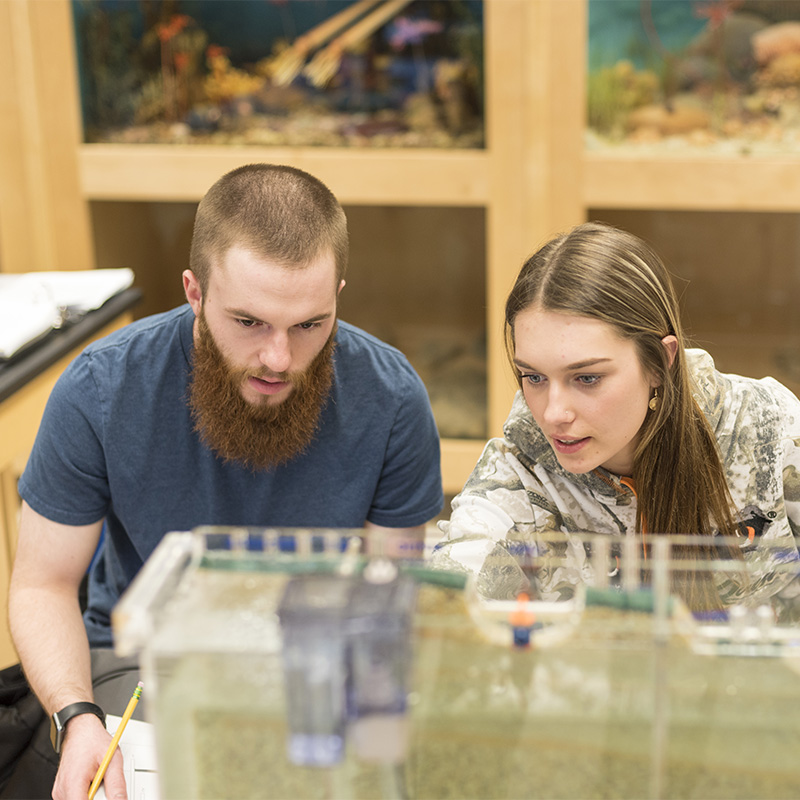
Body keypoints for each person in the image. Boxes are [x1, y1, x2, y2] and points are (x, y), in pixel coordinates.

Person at [9, 163, 443, 799]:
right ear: (194, 291)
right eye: (249, 322)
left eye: (310, 325)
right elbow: (43, 585)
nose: (279, 358)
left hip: (317, 665)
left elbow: (392, 594)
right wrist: (77, 719)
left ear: (338, 297)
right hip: (140, 669)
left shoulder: (392, 397)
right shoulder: (101, 389)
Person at [433, 221, 800, 612]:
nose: (554, 413)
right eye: (534, 377)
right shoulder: (518, 475)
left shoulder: (768, 427)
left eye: (587, 377)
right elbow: (448, 596)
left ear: (660, 362)